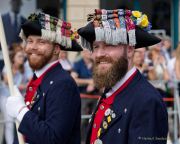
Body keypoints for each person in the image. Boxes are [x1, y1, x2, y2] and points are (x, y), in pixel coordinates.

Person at [78, 9, 168, 144]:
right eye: (96, 46)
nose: (99, 54)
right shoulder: (110, 89)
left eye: (109, 44)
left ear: (130, 50)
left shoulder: (147, 101)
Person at [6, 12, 82, 144]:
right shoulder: (38, 78)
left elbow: (53, 138)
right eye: (29, 41)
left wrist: (20, 111)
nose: (33, 47)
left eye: (41, 42)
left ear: (56, 49)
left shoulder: (63, 84)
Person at [0, 43, 29, 144]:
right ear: (13, 58)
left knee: (20, 121)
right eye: (19, 56)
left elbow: (29, 82)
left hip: (17, 99)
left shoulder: (24, 68)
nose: (22, 58)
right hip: (6, 97)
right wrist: (13, 71)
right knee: (9, 123)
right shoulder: (8, 68)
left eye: (23, 56)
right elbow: (9, 83)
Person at [0, 0, 26, 72]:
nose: (16, 4)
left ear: (21, 4)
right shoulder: (2, 19)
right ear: (11, 3)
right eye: (14, 2)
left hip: (18, 57)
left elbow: (24, 38)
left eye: (18, 2)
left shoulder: (24, 21)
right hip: (4, 55)